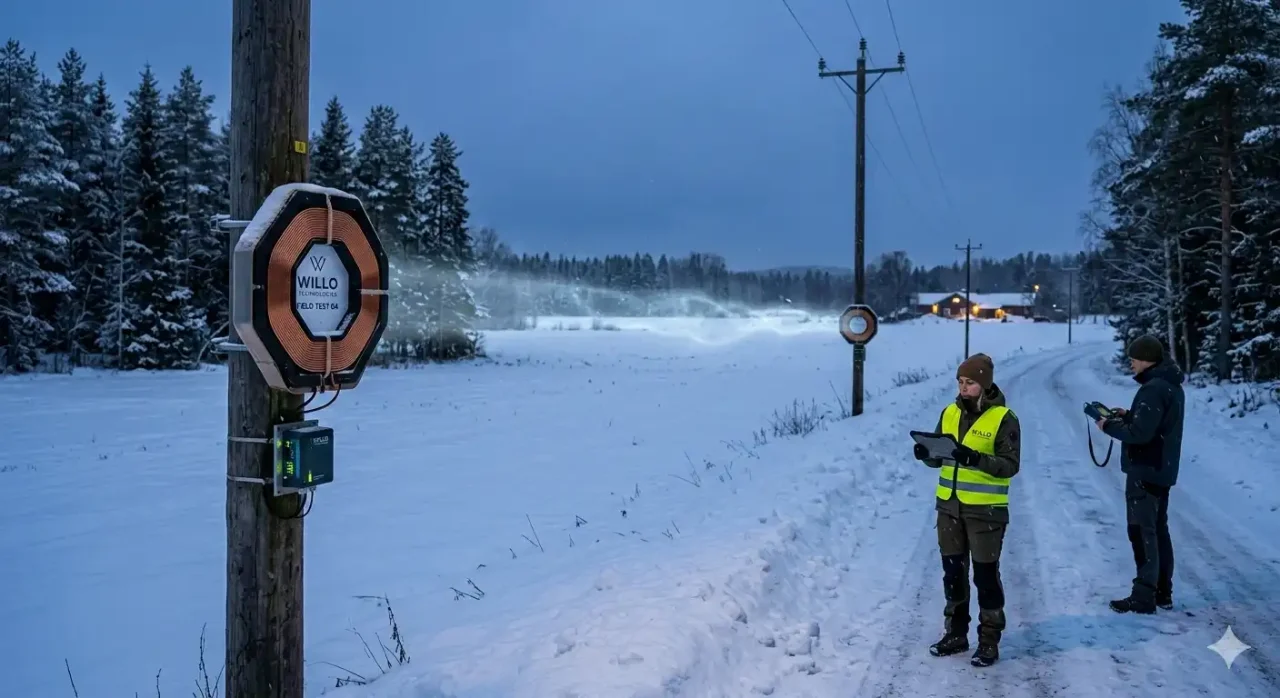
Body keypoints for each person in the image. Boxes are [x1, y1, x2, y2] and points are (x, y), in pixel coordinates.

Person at [912, 352, 1021, 667]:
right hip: (949, 508)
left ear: (984, 384)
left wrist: (975, 459)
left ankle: (989, 641)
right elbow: (940, 455)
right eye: (960, 382)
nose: (963, 388)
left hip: (985, 511)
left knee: (986, 578)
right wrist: (927, 453)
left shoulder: (1004, 418)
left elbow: (1010, 465)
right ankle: (955, 634)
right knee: (953, 574)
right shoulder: (949, 412)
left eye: (970, 382)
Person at [1095, 334, 1184, 614]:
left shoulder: (1153, 389)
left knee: (1141, 532)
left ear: (1146, 360)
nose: (1131, 363)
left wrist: (1107, 425)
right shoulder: (1170, 386)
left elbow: (1139, 434)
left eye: (1133, 359)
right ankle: (1162, 592)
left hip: (1145, 470)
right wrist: (1129, 414)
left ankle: (1144, 596)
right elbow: (1153, 424)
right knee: (1158, 530)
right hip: (1161, 469)